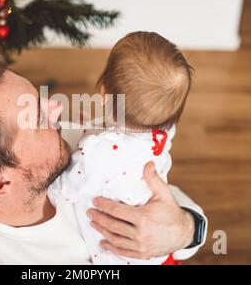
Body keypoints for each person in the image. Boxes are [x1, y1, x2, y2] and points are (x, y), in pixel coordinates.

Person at [0, 30, 207, 264]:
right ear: (0, 181)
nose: (56, 108)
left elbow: (158, 195)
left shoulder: (66, 145)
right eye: (36, 117)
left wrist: (183, 229)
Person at [49, 31, 194, 264]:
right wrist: (95, 127)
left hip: (118, 255)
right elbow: (125, 142)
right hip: (156, 252)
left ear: (104, 92)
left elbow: (66, 187)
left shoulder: (97, 152)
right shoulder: (164, 131)